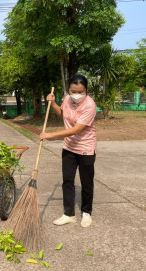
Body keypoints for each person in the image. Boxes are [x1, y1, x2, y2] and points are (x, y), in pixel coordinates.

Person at [39, 75, 96, 228]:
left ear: (86, 90)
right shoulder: (67, 99)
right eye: (73, 91)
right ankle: (69, 214)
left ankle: (86, 213)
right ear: (68, 89)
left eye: (80, 91)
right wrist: (52, 103)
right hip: (69, 148)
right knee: (68, 181)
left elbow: (76, 130)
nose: (76, 94)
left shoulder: (90, 105)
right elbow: (62, 114)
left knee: (86, 182)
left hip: (85, 148)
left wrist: (50, 135)